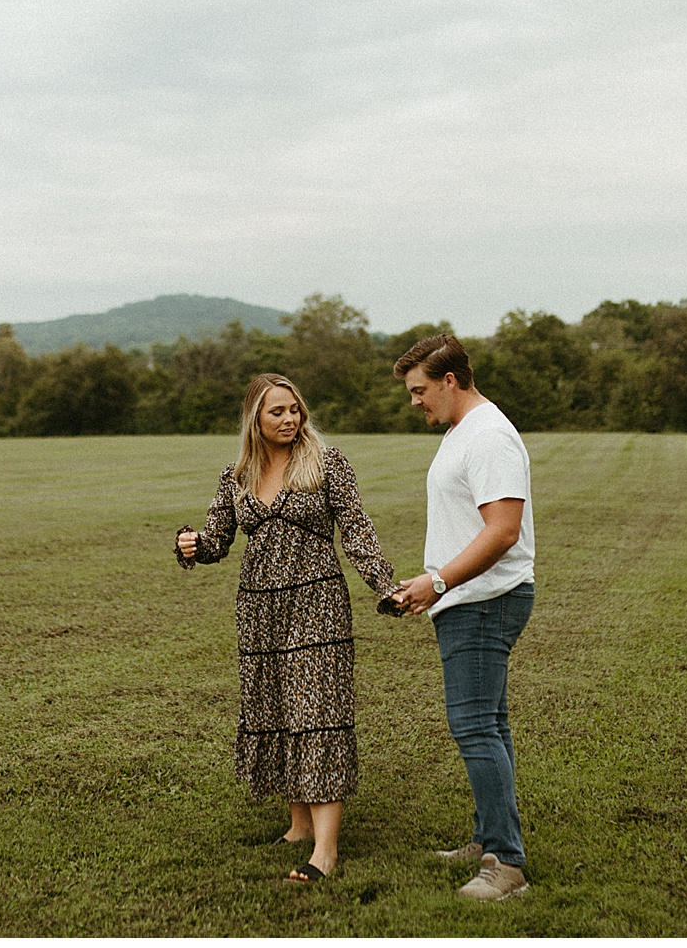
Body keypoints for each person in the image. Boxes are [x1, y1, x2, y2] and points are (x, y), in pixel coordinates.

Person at [175, 373, 400, 884]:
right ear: (255, 417)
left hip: (317, 604)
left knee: (317, 711)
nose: (289, 419)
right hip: (259, 609)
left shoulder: (326, 462)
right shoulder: (236, 474)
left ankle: (325, 851)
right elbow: (215, 541)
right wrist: (190, 543)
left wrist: (383, 585)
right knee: (278, 707)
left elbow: (357, 529)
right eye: (276, 412)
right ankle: (298, 826)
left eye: (294, 409)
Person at [387, 333, 535, 901]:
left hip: (484, 601)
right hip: (466, 599)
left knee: (474, 727)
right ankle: (488, 837)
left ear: (451, 381)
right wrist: (431, 584)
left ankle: (507, 864)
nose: (415, 401)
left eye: (420, 390)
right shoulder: (461, 431)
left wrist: (439, 580)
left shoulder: (490, 435)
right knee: (489, 725)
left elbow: (502, 530)